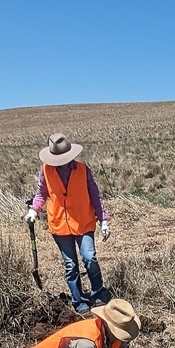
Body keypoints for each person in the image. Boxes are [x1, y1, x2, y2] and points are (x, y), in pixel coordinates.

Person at [26, 133, 110, 314]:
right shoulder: (46, 170)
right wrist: (34, 209)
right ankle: (79, 301)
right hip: (59, 224)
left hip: (83, 221)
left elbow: (95, 195)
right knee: (71, 264)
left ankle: (98, 294)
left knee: (89, 257)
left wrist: (103, 219)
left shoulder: (82, 170)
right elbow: (41, 193)